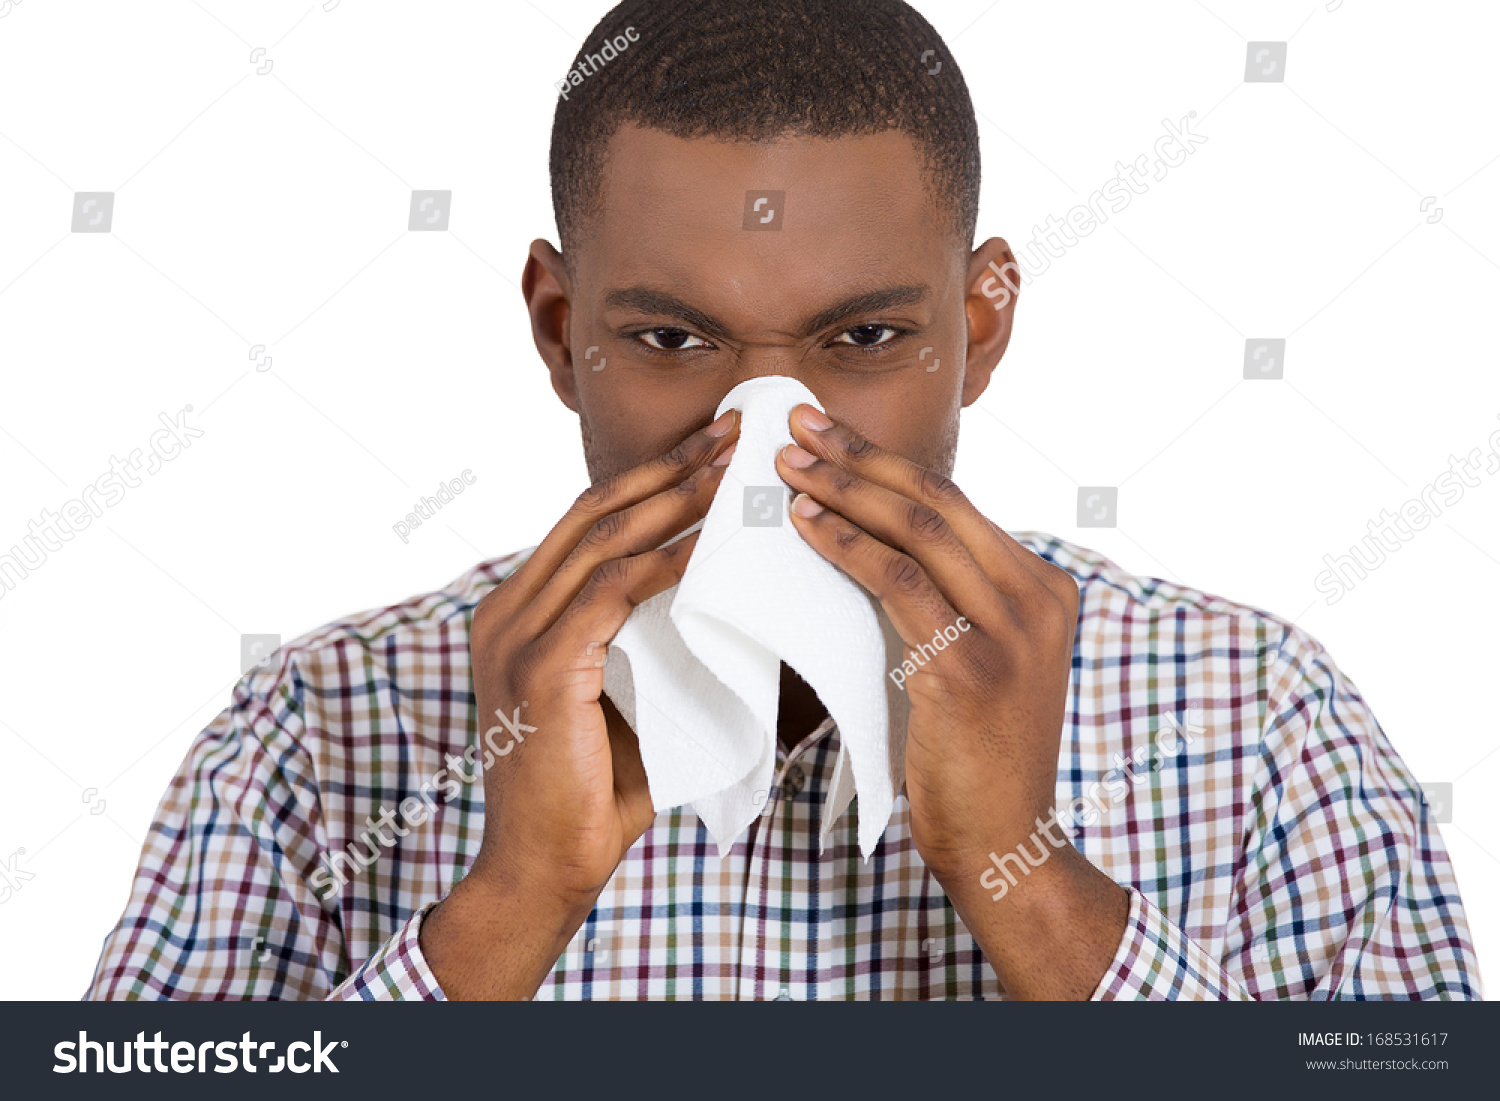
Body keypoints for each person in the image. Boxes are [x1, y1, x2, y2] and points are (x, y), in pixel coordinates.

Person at [87, 0, 1479, 1000]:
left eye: (863, 340)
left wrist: (1022, 868)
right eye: (673, 341)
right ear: (558, 327)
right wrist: (509, 909)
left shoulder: (1251, 714)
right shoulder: (323, 729)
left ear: (979, 328)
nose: (768, 437)